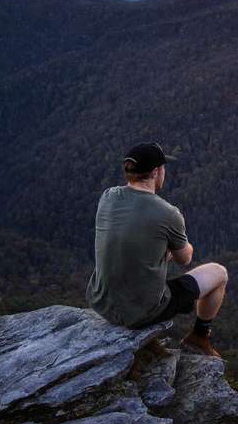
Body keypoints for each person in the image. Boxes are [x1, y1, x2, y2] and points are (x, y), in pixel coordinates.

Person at [85, 141, 228, 358]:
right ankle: (199, 337)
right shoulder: (168, 213)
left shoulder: (108, 196)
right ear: (156, 172)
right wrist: (176, 245)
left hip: (101, 302)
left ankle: (148, 341)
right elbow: (184, 258)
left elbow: (128, 238)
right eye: (164, 168)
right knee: (219, 273)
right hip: (141, 312)